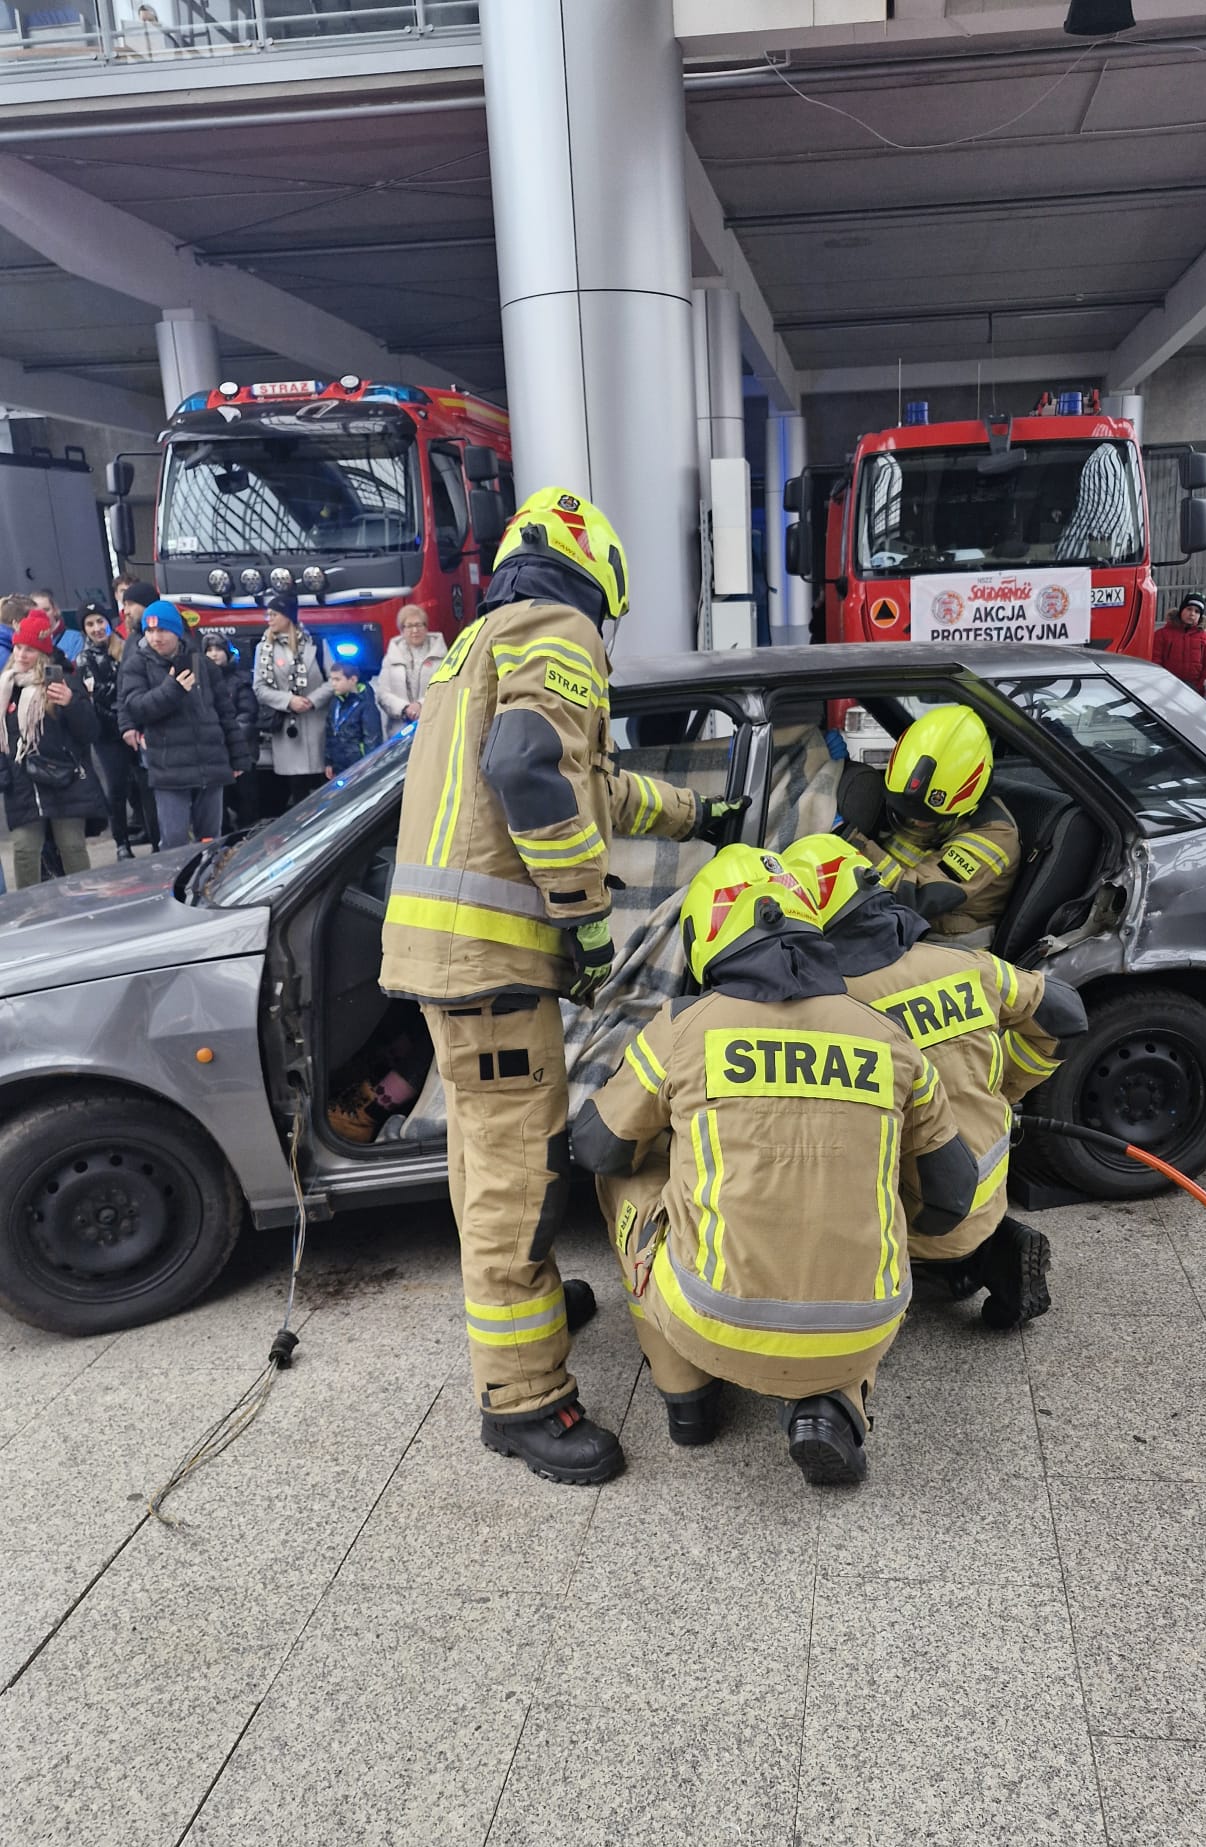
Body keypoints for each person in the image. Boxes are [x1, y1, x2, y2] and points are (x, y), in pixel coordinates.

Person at [378, 485, 744, 1486]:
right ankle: (525, 1399)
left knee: (481, 1158)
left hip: (451, 959)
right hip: (495, 962)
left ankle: (529, 1310)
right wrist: (582, 911)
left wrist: (694, 816)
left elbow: (586, 781)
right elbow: (529, 768)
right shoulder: (557, 628)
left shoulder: (477, 641)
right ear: (597, 579)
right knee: (519, 1180)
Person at [573, 845, 978, 1485]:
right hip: (866, 1326)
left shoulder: (684, 1026)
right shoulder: (887, 1036)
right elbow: (952, 1194)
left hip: (712, 1321)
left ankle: (687, 1398)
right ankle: (834, 1403)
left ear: (707, 934)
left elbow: (598, 1146)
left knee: (623, 1175)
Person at [784, 831, 1082, 1330]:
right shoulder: (965, 965)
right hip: (987, 1193)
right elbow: (1064, 1016)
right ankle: (985, 1255)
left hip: (902, 1217)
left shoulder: (822, 1011)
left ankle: (900, 1281)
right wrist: (1005, 1088)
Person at [835, 703, 1021, 934]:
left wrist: (849, 841)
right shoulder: (907, 793)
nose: (915, 822)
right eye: (906, 812)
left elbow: (915, 899)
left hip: (946, 941)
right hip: (892, 922)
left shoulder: (995, 836)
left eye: (929, 818)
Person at [118, 601, 249, 848]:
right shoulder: (137, 664)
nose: (155, 638)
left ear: (176, 631)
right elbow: (137, 707)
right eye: (150, 631)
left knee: (210, 841)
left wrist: (238, 757)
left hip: (209, 763)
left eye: (162, 630)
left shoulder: (203, 664)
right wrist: (172, 689)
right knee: (174, 841)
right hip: (169, 768)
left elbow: (225, 713)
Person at [0, 607, 105, 888]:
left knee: (71, 847)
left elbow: (89, 732)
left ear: (43, 653)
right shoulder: (6, 686)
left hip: (65, 779)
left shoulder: (64, 681)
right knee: (24, 850)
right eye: (18, 647)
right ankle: (29, 908)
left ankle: (85, 903)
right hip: (23, 784)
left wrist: (71, 703)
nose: (21, 655)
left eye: (30, 650)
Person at [254, 590, 332, 807]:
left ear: (288, 616)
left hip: (317, 725)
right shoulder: (263, 649)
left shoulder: (316, 644)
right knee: (298, 791)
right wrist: (289, 701)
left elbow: (333, 680)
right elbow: (259, 688)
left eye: (274, 614)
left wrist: (312, 700)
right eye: (268, 615)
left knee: (323, 786)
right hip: (288, 731)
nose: (269, 619)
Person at [78, 597, 138, 860]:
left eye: (100, 621)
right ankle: (121, 841)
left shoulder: (125, 648)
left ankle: (151, 832)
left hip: (134, 726)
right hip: (107, 733)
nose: (96, 628)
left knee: (143, 784)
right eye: (90, 624)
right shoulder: (84, 658)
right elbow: (96, 694)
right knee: (116, 788)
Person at [202, 629, 263, 828]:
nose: (213, 654)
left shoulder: (241, 681)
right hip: (213, 756)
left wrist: (227, 738)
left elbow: (247, 716)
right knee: (219, 807)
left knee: (247, 802)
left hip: (241, 752)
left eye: (218, 649)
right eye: (209, 650)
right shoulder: (200, 683)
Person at [375, 602, 445, 738]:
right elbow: (382, 694)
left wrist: (421, 705)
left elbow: (445, 689)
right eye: (409, 626)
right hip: (399, 733)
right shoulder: (391, 657)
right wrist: (405, 708)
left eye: (419, 625)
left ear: (426, 627)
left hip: (432, 729)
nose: (415, 630)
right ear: (402, 630)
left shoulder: (441, 656)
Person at [1150, 591, 1206, 692]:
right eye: (1189, 609)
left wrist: (1200, 687)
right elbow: (1155, 661)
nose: (1192, 614)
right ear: (1181, 610)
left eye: (1197, 611)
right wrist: (1161, 683)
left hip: (1194, 688)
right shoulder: (1162, 634)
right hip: (1166, 687)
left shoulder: (1205, 637)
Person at [324, 664, 382, 778]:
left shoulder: (366, 705)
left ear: (353, 679)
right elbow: (330, 733)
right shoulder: (335, 702)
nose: (333, 684)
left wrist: (369, 765)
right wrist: (329, 761)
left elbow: (372, 740)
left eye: (337, 679)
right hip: (338, 765)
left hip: (359, 765)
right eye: (331, 679)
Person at [30, 589, 83, 665]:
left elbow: (77, 669)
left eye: (46, 610)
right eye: (36, 611)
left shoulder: (75, 638)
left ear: (55, 611)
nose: (42, 614)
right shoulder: (24, 640)